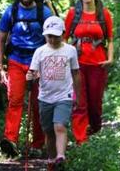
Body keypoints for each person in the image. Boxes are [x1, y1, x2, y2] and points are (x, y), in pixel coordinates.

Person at [0, 0, 53, 157]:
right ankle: (10, 141)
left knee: (38, 104)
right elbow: (1, 40)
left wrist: (48, 64)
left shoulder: (44, 13)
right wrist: (0, 66)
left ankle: (37, 144)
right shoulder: (10, 12)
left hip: (38, 62)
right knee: (15, 100)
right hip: (16, 60)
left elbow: (51, 41)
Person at [64, 0, 114, 144]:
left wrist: (110, 58)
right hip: (77, 64)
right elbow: (64, 38)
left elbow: (111, 39)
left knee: (95, 104)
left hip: (98, 65)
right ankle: (81, 139)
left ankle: (94, 129)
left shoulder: (104, 14)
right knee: (79, 102)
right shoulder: (73, 13)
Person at [27, 16, 80, 169]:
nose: (52, 39)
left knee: (60, 126)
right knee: (49, 132)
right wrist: (30, 77)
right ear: (45, 35)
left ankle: (61, 156)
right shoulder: (40, 52)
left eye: (56, 36)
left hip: (64, 95)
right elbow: (33, 73)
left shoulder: (70, 50)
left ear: (63, 34)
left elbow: (76, 73)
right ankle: (51, 159)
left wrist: (78, 96)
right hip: (45, 97)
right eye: (49, 36)